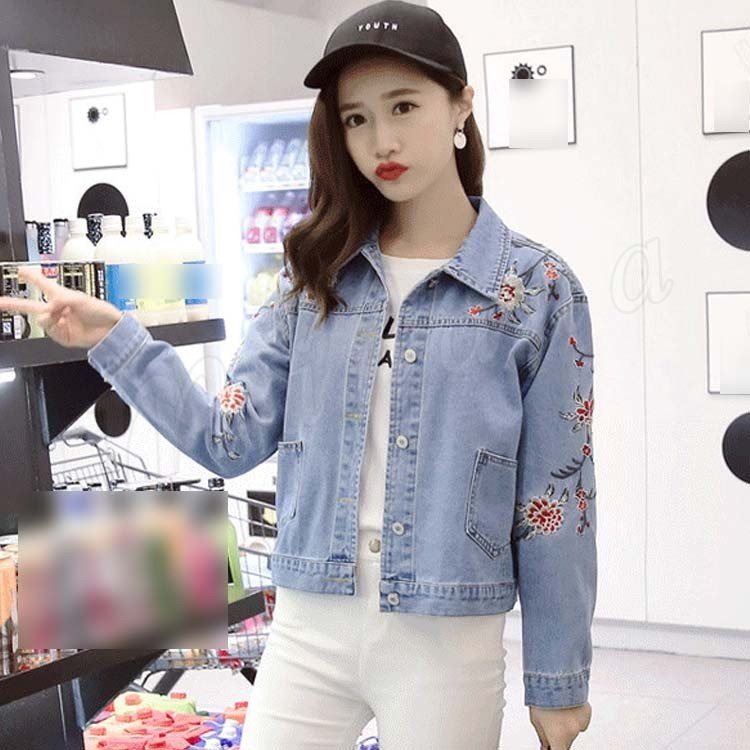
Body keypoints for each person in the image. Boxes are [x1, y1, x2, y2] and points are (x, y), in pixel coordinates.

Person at [0, 2, 596, 748]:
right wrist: (115, 338)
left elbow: (556, 500)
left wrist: (558, 678)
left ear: (460, 106)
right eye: (355, 119)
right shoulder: (314, 276)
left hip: (446, 638)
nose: (380, 141)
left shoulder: (537, 289)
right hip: (311, 624)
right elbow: (228, 438)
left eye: (403, 107)